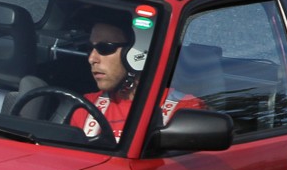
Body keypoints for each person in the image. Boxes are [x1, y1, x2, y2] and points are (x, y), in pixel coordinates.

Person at [67, 16, 206, 142]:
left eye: (104, 48)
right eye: (89, 48)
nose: (92, 59)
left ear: (136, 52)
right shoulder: (86, 106)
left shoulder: (185, 110)